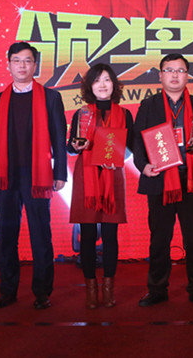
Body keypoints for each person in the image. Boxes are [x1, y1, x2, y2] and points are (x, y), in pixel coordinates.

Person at [0, 42, 67, 310]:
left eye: (27, 60)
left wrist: (60, 173)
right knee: (7, 234)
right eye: (17, 60)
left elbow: (59, 138)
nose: (22, 65)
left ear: (35, 65)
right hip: (5, 176)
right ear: (8, 64)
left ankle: (42, 292)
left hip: (38, 176)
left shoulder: (51, 98)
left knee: (40, 234)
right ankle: (8, 291)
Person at [132, 53, 193, 307]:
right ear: (160, 76)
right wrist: (143, 166)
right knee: (159, 239)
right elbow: (137, 140)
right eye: (169, 70)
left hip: (191, 179)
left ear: (187, 76)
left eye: (180, 70)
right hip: (160, 180)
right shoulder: (148, 106)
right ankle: (157, 289)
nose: (174, 75)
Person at [67, 63, 133, 309]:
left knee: (110, 235)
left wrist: (117, 155)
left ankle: (108, 289)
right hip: (87, 177)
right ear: (89, 86)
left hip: (112, 176)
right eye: (96, 80)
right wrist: (75, 146)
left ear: (114, 84)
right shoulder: (82, 113)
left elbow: (131, 148)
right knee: (87, 234)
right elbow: (70, 146)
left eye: (106, 80)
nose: (102, 85)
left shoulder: (125, 114)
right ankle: (91, 290)